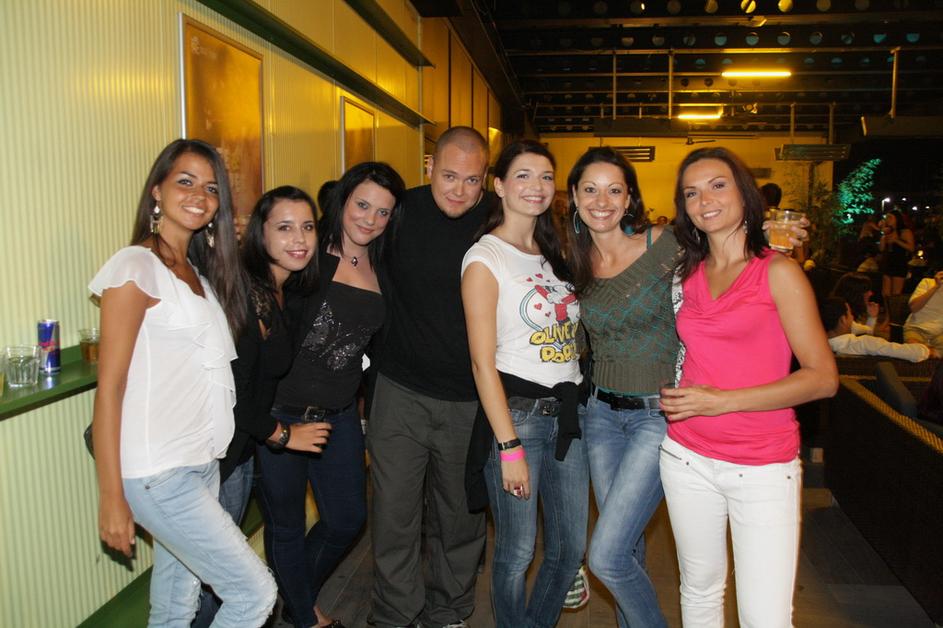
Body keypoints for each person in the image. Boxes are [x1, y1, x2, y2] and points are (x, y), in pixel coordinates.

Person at [90, 138, 277, 626]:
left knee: (176, 605)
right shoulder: (135, 266)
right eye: (185, 181)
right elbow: (110, 388)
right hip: (158, 470)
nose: (199, 195)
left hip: (201, 463)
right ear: (157, 191)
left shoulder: (197, 273)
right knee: (255, 592)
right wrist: (111, 496)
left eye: (211, 188)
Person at [659, 147, 838, 627]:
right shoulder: (687, 273)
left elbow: (823, 378)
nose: (705, 200)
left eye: (718, 185)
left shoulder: (778, 272)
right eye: (691, 193)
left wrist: (722, 402)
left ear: (744, 193)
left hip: (761, 466)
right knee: (699, 594)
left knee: (765, 617)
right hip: (686, 457)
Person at [258, 163, 405, 628]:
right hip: (281, 412)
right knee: (286, 525)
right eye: (362, 205)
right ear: (342, 200)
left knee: (346, 519)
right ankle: (306, 616)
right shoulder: (305, 253)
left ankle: (288, 593)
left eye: (383, 212)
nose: (370, 219)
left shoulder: (384, 265)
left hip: (339, 415)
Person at [368, 126, 493, 628]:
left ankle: (449, 612)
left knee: (460, 518)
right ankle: (394, 614)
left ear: (486, 179)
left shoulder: (501, 220)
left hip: (471, 400)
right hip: (399, 391)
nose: (459, 190)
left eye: (471, 180)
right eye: (448, 176)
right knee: (394, 516)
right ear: (429, 167)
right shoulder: (397, 213)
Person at [193, 186, 333, 627]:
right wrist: (284, 434)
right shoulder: (246, 295)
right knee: (214, 577)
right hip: (217, 454)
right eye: (285, 228)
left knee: (215, 572)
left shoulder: (277, 291)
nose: (300, 239)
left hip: (239, 451)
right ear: (260, 234)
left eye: (307, 227)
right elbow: (229, 394)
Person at [462, 140, 586, 628]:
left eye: (546, 176)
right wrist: (508, 446)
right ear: (498, 185)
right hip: (518, 419)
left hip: (568, 415)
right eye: (523, 175)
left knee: (569, 546)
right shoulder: (485, 257)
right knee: (516, 551)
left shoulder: (554, 253)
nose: (536, 186)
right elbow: (481, 363)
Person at [565, 146, 676, 628]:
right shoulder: (573, 262)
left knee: (607, 555)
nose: (602, 200)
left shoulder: (664, 244)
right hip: (600, 417)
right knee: (627, 548)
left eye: (614, 190)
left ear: (629, 197)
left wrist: (768, 239)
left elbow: (727, 262)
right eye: (590, 189)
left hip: (658, 416)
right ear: (574, 196)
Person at [821, 296, 935, 362]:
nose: (852, 318)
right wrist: (928, 350)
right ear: (842, 320)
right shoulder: (866, 343)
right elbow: (913, 353)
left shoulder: (818, 347)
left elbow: (865, 330)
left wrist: (872, 318)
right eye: (850, 314)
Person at [830, 271, 883, 336]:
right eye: (867, 290)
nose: (871, 293)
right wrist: (872, 318)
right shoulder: (844, 318)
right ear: (856, 294)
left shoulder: (835, 307)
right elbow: (867, 336)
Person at [904, 269, 943, 353]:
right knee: (915, 352)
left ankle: (932, 353)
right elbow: (913, 308)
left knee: (924, 353)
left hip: (940, 333)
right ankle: (933, 353)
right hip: (917, 328)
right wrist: (936, 287)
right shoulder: (927, 282)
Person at [879, 209, 915, 297]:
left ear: (897, 219)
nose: (888, 219)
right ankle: (886, 305)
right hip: (888, 262)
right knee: (885, 293)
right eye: (887, 217)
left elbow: (911, 248)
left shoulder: (905, 231)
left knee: (896, 293)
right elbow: (881, 249)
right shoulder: (887, 232)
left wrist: (897, 240)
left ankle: (894, 306)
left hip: (899, 263)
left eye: (890, 217)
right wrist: (883, 236)